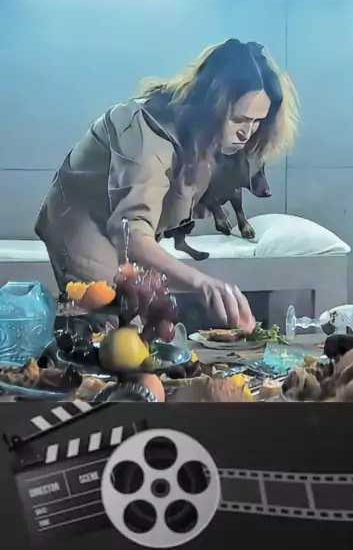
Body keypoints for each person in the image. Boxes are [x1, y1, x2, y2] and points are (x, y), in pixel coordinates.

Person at [35, 39, 299, 331]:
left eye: (257, 121)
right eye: (239, 119)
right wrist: (202, 282)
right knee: (119, 329)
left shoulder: (209, 136)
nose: (246, 133)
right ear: (211, 106)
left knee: (149, 324)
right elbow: (132, 234)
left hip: (126, 225)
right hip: (81, 220)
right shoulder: (146, 135)